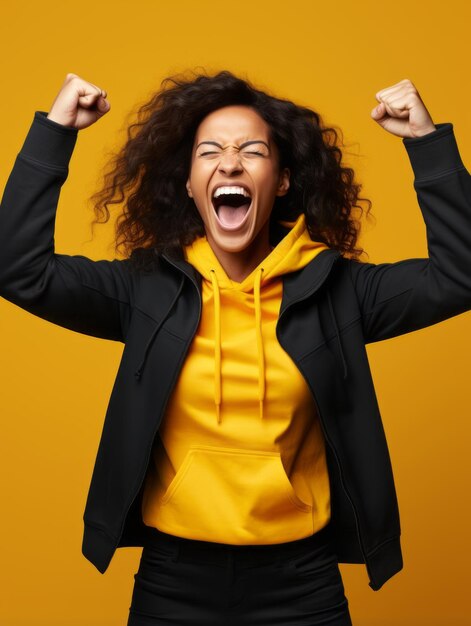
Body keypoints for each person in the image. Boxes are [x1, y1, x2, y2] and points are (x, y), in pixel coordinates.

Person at [0, 70, 469, 626]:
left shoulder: (338, 291)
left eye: (252, 150)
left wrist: (426, 143)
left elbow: (460, 275)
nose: (230, 162)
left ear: (283, 181)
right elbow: (18, 270)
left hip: (302, 583)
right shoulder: (145, 291)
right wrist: (55, 132)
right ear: (191, 185)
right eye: (209, 152)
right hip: (173, 578)